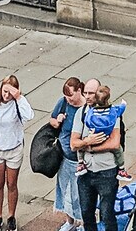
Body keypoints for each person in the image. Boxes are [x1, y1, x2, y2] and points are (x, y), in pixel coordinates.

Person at [0, 73, 35, 231]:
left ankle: (11, 216)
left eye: (10, 92)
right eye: (5, 91)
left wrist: (19, 98)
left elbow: (29, 115)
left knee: (12, 184)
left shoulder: (17, 104)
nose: (6, 95)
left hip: (14, 150)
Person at [71, 83, 123, 231]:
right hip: (86, 172)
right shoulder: (81, 113)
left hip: (107, 171)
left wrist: (90, 147)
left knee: (107, 215)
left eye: (91, 93)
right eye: (85, 93)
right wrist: (87, 141)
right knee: (87, 213)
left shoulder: (111, 113)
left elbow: (114, 143)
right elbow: (73, 144)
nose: (87, 96)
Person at [46, 77, 86, 231]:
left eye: (71, 95)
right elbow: (52, 120)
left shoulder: (86, 108)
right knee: (64, 190)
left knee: (79, 194)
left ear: (79, 91)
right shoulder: (63, 103)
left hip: (80, 160)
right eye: (66, 96)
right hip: (64, 156)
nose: (68, 99)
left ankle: (82, 222)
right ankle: (70, 221)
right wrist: (58, 120)